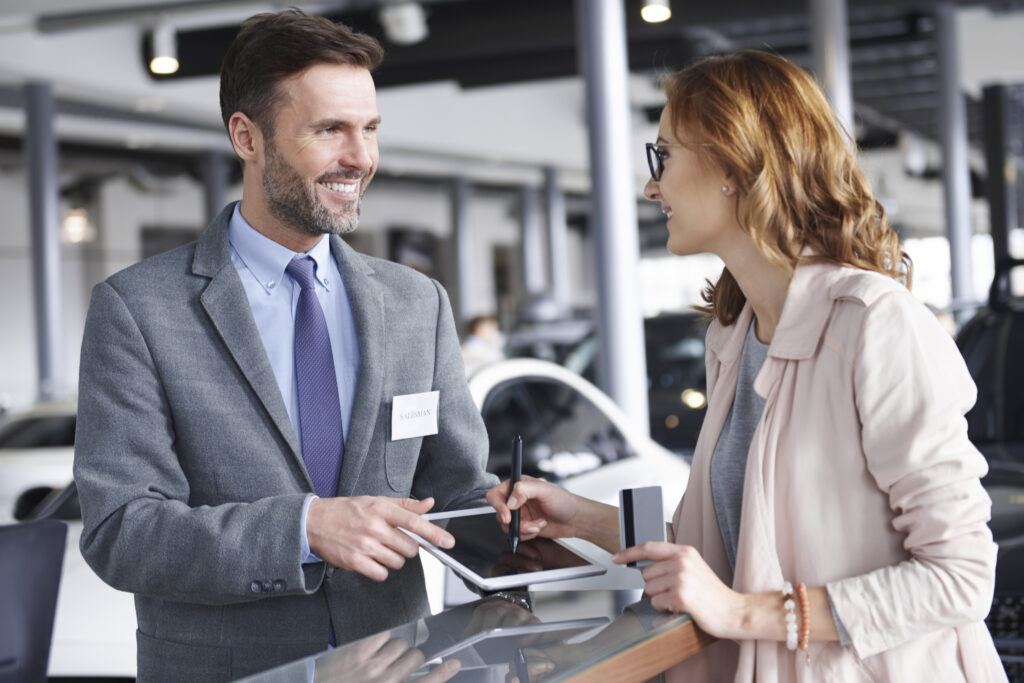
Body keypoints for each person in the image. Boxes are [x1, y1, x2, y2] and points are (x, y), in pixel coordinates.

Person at [488, 50, 1005, 681]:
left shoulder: (874, 324)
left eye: (664, 156)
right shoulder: (733, 333)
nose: (653, 186)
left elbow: (960, 577)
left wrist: (743, 613)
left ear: (734, 164)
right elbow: (737, 544)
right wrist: (585, 519)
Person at [73, 9, 495, 682]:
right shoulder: (139, 309)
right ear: (248, 136)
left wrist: (518, 524)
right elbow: (121, 530)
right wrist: (303, 529)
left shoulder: (418, 303)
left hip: (398, 663)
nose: (359, 157)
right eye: (330, 129)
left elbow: (458, 492)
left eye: (369, 129)